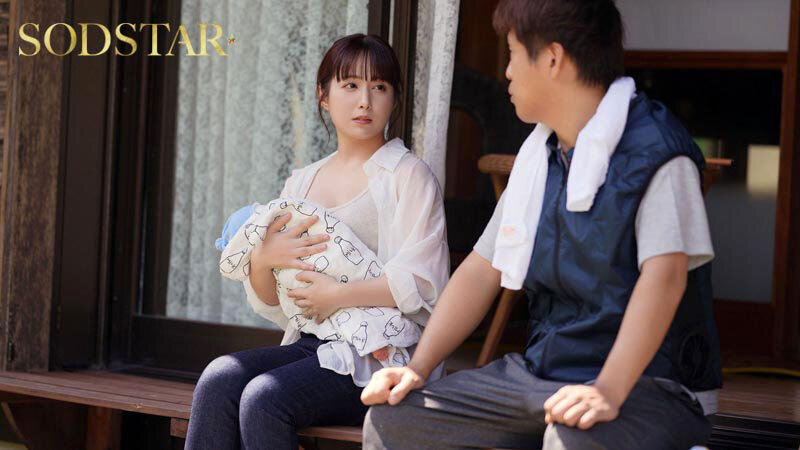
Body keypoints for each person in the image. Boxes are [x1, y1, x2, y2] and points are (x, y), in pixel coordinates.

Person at [360, 1, 721, 449]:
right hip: (543, 375)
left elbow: (664, 280)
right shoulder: (540, 157)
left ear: (552, 59)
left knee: (570, 438)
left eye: (513, 54)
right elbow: (480, 271)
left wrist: (606, 391)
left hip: (652, 387)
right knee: (394, 422)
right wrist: (417, 368)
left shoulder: (659, 153)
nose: (507, 72)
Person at [184, 33, 449, 450]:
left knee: (264, 398)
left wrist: (338, 295)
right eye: (351, 85)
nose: (365, 101)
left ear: (395, 99)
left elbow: (425, 283)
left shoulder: (407, 175)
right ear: (323, 96)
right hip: (313, 346)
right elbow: (277, 303)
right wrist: (261, 261)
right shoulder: (302, 182)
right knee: (220, 377)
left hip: (381, 356)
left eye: (379, 87)